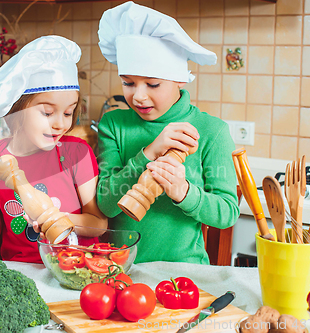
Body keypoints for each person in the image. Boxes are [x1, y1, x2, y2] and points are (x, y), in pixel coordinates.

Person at [96, 2, 240, 264]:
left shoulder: (212, 131)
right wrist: (148, 153)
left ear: (179, 79)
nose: (138, 96)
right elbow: (105, 204)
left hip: (183, 273)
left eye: (153, 84)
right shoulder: (113, 124)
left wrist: (183, 192)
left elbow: (227, 212)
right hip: (117, 268)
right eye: (128, 83)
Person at [0, 36, 107, 263]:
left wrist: (58, 219)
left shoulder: (77, 154)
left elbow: (99, 224)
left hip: (77, 266)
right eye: (47, 113)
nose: (60, 124)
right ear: (17, 109)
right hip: (22, 270)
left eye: (68, 113)